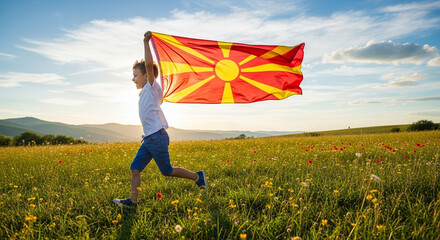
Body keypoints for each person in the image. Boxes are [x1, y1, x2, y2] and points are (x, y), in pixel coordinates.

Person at [113, 31, 207, 208]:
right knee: (135, 168)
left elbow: (149, 64)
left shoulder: (151, 87)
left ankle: (197, 177)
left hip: (157, 137)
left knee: (167, 171)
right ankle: (133, 202)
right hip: (149, 139)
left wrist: (145, 42)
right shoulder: (143, 93)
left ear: (147, 76)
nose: (133, 78)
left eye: (135, 75)